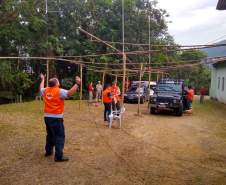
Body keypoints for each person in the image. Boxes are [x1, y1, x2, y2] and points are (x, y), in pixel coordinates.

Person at [39, 74, 81, 162]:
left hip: (47, 117)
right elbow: (69, 93)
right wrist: (77, 84)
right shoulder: (59, 91)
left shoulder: (46, 90)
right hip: (56, 118)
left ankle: (48, 151)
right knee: (59, 136)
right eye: (58, 81)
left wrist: (42, 79)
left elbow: (40, 88)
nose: (59, 82)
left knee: (50, 135)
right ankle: (58, 156)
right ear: (56, 84)